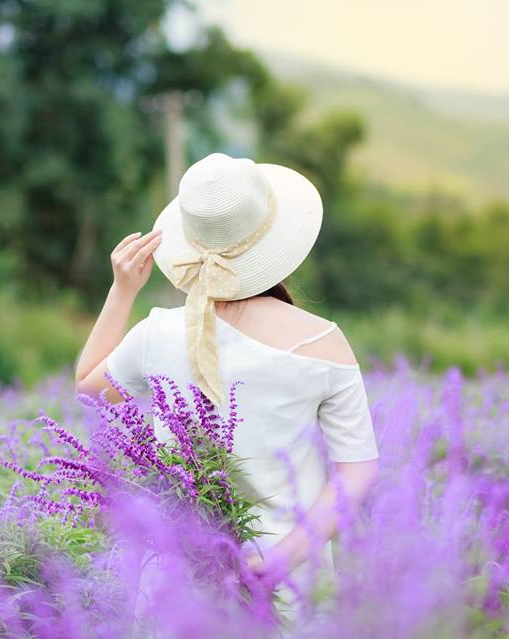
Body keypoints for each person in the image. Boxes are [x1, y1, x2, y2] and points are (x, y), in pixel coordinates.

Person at [74, 153, 381, 628]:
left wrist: (123, 290)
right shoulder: (324, 343)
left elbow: (88, 386)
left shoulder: (156, 334)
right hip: (286, 577)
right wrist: (280, 559)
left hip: (177, 577)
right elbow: (355, 475)